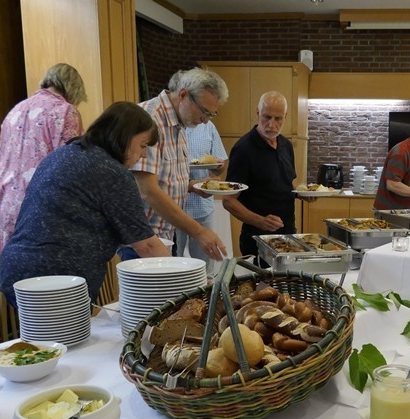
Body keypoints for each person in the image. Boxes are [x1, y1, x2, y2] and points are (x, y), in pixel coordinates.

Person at [0, 102, 170, 306]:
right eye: (143, 146)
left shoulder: (63, 153)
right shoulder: (111, 172)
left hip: (18, 268)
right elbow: (147, 246)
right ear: (125, 136)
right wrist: (185, 279)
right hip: (55, 278)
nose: (144, 155)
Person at [124, 68, 229, 262]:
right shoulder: (150, 118)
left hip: (165, 236)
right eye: (204, 112)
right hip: (143, 242)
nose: (205, 120)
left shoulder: (180, 124)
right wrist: (199, 232)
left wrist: (191, 186)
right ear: (183, 95)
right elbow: (147, 191)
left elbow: (165, 179)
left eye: (211, 114)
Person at [0, 63, 87, 253]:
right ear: (74, 88)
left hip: (7, 205)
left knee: (15, 266)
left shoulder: (15, 111)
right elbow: (71, 165)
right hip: (40, 208)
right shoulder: (64, 111)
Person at [222, 91, 301, 261]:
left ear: (285, 117)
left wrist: (301, 194)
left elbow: (284, 184)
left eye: (278, 118)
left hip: (288, 234)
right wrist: (260, 221)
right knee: (262, 279)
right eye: (267, 117)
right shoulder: (244, 149)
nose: (272, 124)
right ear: (258, 113)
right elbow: (228, 201)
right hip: (257, 238)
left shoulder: (286, 145)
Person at [176, 120, 229, 279]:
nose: (204, 117)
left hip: (202, 208)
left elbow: (221, 163)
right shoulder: (169, 127)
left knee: (206, 269)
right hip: (174, 210)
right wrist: (191, 186)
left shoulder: (208, 126)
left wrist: (218, 167)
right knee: (173, 263)